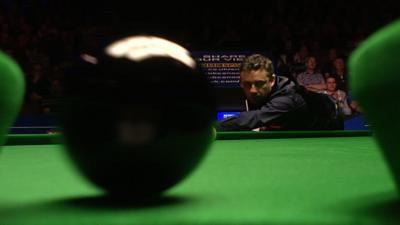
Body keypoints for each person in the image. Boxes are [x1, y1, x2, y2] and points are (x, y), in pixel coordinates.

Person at [215, 54, 340, 131]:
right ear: (241, 82)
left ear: (272, 80)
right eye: (247, 84)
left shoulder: (287, 98)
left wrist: (209, 129)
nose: (252, 90)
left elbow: (254, 118)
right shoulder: (261, 89)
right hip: (296, 126)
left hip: (328, 124)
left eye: (259, 84)